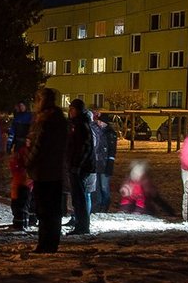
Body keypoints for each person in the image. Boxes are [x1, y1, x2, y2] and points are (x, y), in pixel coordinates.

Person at [24, 87, 67, 254]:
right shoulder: (59, 119)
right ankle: (52, 242)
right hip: (55, 170)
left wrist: (27, 162)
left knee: (44, 209)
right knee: (53, 209)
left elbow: (39, 146)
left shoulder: (45, 120)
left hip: (43, 171)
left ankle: (45, 243)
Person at [64, 98, 94, 236]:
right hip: (77, 166)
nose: (70, 111)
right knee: (77, 197)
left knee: (80, 198)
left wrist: (77, 165)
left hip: (80, 167)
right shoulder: (77, 124)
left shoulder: (82, 125)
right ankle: (80, 224)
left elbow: (84, 147)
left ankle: (82, 226)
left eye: (72, 109)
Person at [92, 110, 118, 213]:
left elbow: (112, 150)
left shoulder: (110, 133)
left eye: (100, 121)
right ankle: (99, 207)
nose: (99, 123)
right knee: (97, 187)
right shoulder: (99, 131)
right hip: (98, 163)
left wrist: (110, 163)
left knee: (104, 186)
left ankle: (105, 205)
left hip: (105, 164)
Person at [8, 138, 33, 231]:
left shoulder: (25, 152)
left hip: (23, 182)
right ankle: (20, 223)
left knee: (20, 204)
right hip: (20, 181)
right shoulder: (24, 151)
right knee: (19, 203)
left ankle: (20, 223)